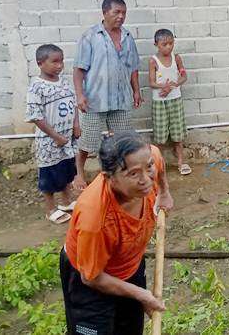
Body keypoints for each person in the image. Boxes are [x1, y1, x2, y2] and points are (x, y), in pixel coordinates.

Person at [61, 131, 174, 335]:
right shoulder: (95, 217)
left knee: (129, 329)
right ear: (109, 178)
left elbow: (156, 159)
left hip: (129, 265)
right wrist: (141, 295)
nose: (146, 180)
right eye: (133, 174)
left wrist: (164, 192)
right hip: (90, 279)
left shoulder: (146, 158)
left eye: (148, 167)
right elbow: (91, 278)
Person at [72, 0, 141, 189]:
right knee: (88, 140)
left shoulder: (128, 37)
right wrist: (80, 95)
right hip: (94, 99)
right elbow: (78, 69)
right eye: (116, 12)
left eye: (124, 13)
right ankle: (79, 174)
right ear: (105, 13)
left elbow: (133, 67)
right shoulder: (90, 36)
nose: (121, 16)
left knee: (123, 139)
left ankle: (120, 173)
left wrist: (136, 90)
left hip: (121, 99)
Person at [24, 44, 81, 224]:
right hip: (50, 141)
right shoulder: (37, 87)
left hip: (67, 138)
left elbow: (73, 103)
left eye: (61, 61)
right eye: (54, 62)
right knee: (49, 174)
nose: (59, 65)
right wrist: (55, 136)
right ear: (40, 63)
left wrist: (76, 124)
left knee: (66, 169)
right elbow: (36, 116)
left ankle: (66, 201)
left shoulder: (63, 81)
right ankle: (50, 209)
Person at [148, 29, 190, 175]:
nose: (168, 47)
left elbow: (184, 76)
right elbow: (152, 83)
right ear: (156, 44)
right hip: (160, 103)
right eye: (164, 44)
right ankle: (159, 165)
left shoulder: (176, 58)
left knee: (178, 134)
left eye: (171, 43)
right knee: (160, 137)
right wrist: (163, 87)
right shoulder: (153, 61)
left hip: (175, 100)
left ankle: (181, 162)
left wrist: (172, 85)